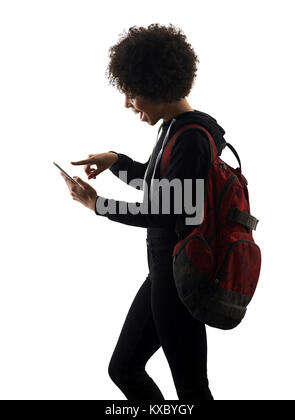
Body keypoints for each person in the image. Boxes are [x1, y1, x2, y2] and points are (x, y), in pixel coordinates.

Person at [61, 23, 227, 401]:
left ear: (155, 87)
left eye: (131, 93)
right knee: (124, 368)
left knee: (191, 389)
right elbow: (162, 187)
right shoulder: (177, 127)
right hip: (163, 275)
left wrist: (97, 205)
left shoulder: (190, 139)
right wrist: (116, 162)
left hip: (180, 282)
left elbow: (165, 211)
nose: (127, 103)